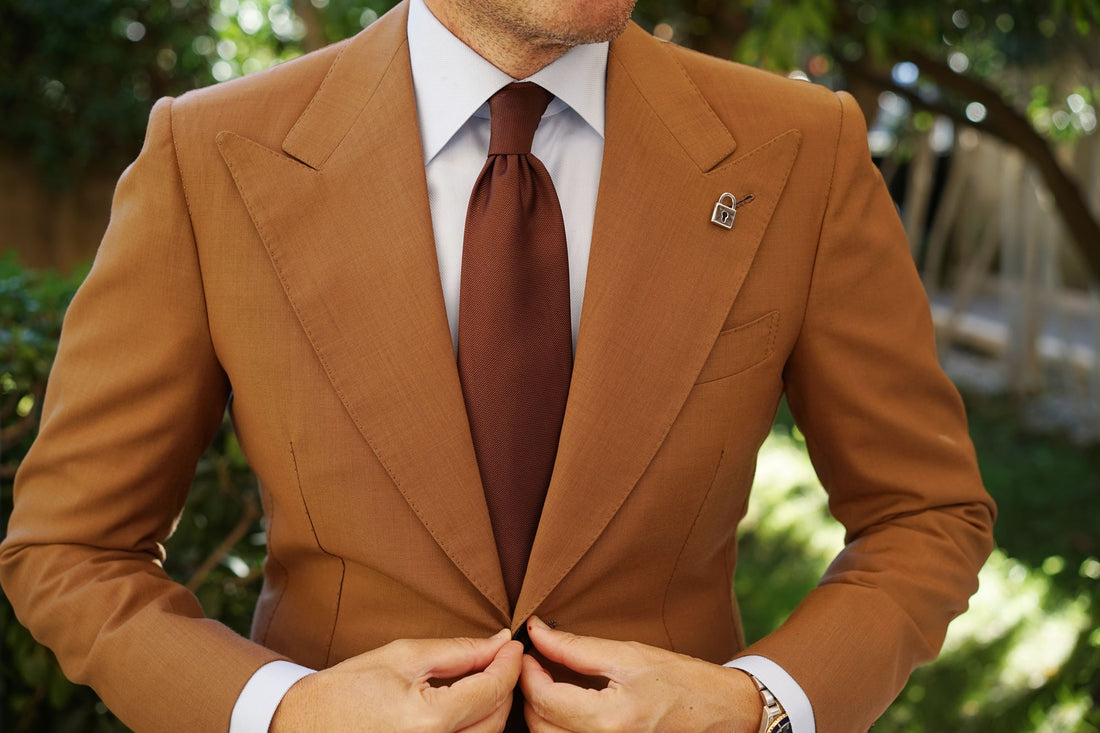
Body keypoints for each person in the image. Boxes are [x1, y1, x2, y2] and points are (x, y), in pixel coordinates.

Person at [0, 0, 996, 730]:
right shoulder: (208, 153)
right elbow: (71, 548)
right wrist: (279, 712)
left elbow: (925, 512)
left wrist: (758, 704)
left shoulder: (800, 150)